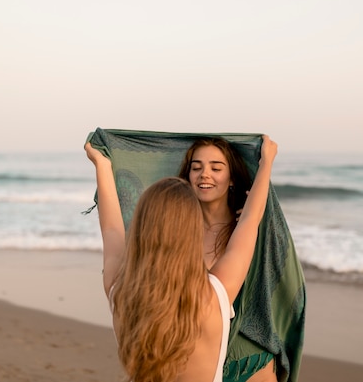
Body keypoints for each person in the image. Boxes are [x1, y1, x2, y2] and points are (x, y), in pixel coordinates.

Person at [84, 135, 278, 382]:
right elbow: (251, 220)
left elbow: (111, 230)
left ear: (142, 224)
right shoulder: (213, 295)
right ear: (192, 229)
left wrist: (102, 165)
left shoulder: (119, 290)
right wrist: (267, 164)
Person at [178, 137, 277, 382]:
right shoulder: (178, 232)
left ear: (231, 177)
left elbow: (254, 215)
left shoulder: (246, 231)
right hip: (197, 356)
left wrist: (266, 162)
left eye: (216, 167)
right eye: (196, 167)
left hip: (246, 357)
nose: (204, 174)